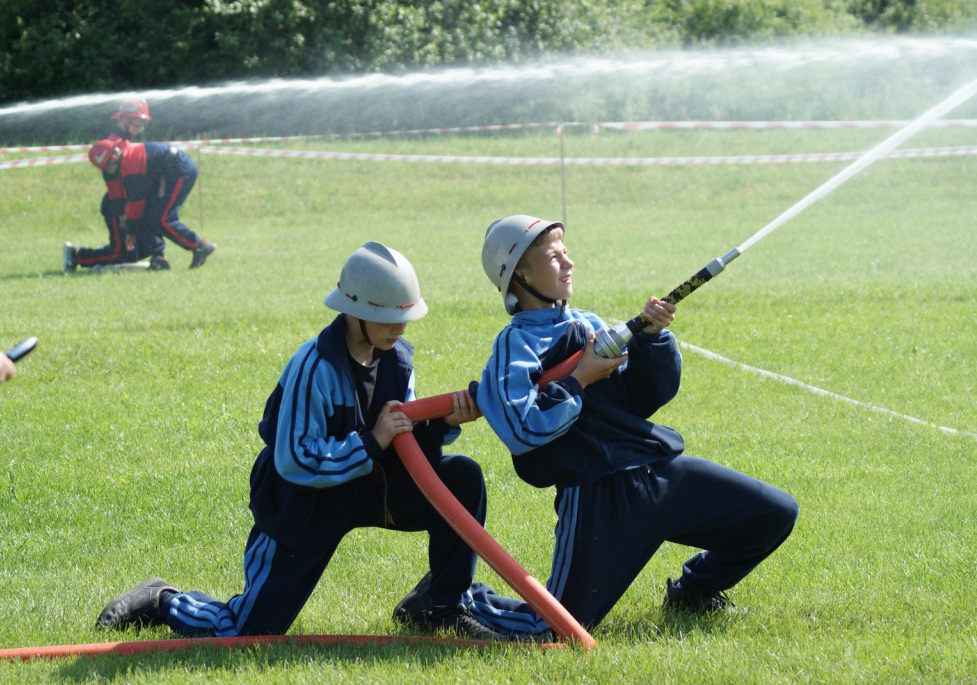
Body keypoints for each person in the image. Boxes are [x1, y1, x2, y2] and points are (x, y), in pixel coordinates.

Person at [96, 242, 505, 639]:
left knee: (461, 478)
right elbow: (295, 460)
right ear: (354, 311)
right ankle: (161, 600)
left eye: (406, 317)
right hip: (306, 502)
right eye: (387, 318)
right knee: (249, 631)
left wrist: (439, 424)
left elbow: (404, 441)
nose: (400, 328)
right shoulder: (314, 367)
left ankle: (440, 606)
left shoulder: (397, 356)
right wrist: (372, 440)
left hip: (371, 485)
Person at [464, 214, 798, 635]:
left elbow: (643, 397)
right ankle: (458, 600)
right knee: (553, 631)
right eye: (553, 257)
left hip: (656, 472)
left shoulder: (588, 322)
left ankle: (692, 594)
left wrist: (652, 338)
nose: (568, 263)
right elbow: (521, 429)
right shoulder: (515, 344)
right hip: (599, 497)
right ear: (519, 276)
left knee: (773, 514)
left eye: (566, 252)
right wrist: (579, 380)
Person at [86, 139, 215, 270]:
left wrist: (129, 230)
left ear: (114, 155)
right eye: (104, 168)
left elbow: (136, 203)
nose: (108, 170)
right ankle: (158, 258)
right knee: (150, 216)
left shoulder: (130, 166)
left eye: (108, 166)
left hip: (179, 170)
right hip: (165, 173)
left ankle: (199, 245)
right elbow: (120, 199)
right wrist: (124, 218)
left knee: (162, 219)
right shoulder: (119, 165)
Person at [64, 100, 160, 272]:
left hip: (125, 202)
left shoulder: (124, 141)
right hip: (117, 204)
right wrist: (122, 211)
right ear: (124, 120)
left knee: (133, 252)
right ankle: (76, 255)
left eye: (142, 124)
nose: (140, 128)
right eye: (138, 123)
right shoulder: (114, 145)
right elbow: (114, 184)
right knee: (119, 253)